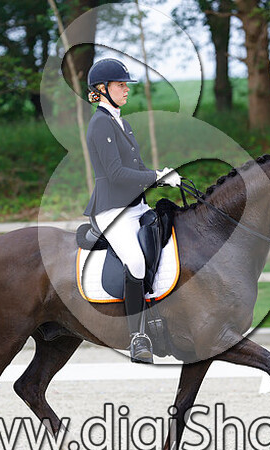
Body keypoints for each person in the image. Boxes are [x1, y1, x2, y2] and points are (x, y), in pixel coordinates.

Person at [83, 58, 181, 364]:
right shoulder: (100, 124)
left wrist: (159, 175)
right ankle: (137, 336)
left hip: (136, 206)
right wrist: (157, 177)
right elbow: (115, 174)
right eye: (120, 85)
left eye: (126, 85)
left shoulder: (121, 122)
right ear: (102, 89)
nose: (126, 90)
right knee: (136, 262)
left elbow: (136, 168)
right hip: (113, 211)